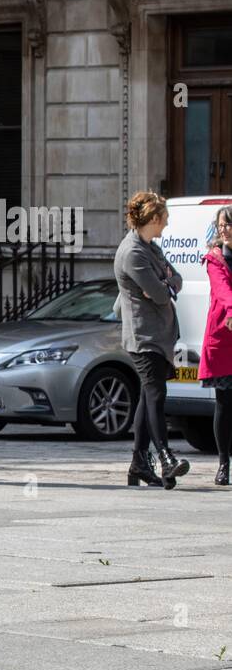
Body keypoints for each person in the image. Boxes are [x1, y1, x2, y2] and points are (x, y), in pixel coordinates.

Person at [114, 190, 188, 487]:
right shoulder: (132, 252)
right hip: (143, 336)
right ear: (153, 219)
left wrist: (166, 282)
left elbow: (175, 281)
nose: (166, 225)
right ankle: (166, 457)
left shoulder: (150, 248)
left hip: (158, 334)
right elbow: (158, 294)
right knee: (156, 394)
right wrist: (164, 284)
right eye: (164, 219)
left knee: (148, 398)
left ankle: (138, 465)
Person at [200, 206, 232, 485]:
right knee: (224, 402)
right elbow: (223, 291)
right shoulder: (214, 259)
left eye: (229, 225)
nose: (225, 229)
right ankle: (223, 463)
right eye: (222, 225)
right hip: (224, 337)